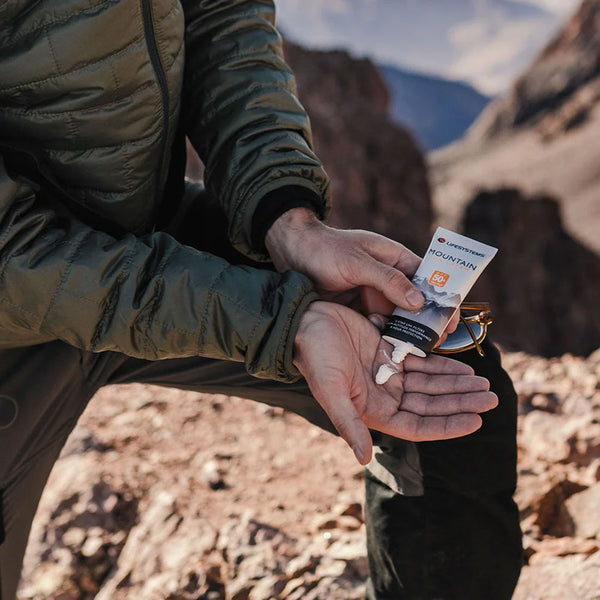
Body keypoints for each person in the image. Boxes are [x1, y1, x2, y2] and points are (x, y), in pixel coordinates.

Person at [0, 1, 522, 598]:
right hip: (14, 313)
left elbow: (221, 17)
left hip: (145, 236)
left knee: (438, 374)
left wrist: (283, 215)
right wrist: (275, 318)